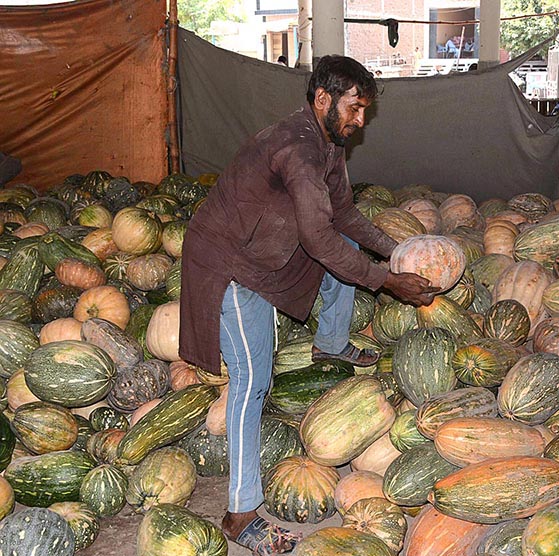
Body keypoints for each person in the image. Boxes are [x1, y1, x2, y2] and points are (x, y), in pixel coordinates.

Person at [179, 55, 436, 555]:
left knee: (351, 253)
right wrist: (388, 283)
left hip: (270, 248)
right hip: (230, 263)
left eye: (365, 110)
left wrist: (398, 253)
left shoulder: (328, 145)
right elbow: (319, 238)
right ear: (323, 99)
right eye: (355, 108)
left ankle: (330, 344)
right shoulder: (296, 148)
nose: (360, 121)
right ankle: (239, 512)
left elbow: (342, 216)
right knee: (253, 383)